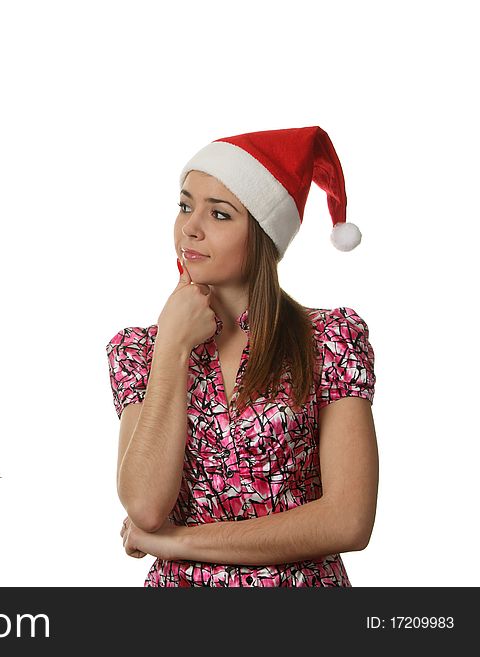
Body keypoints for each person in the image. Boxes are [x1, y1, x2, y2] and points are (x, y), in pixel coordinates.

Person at [107, 126, 378, 586]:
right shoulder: (141, 350)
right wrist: (173, 345)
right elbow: (147, 508)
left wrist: (177, 543)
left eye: (220, 214)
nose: (190, 227)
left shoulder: (330, 340)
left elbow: (348, 520)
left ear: (263, 232)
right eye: (185, 205)